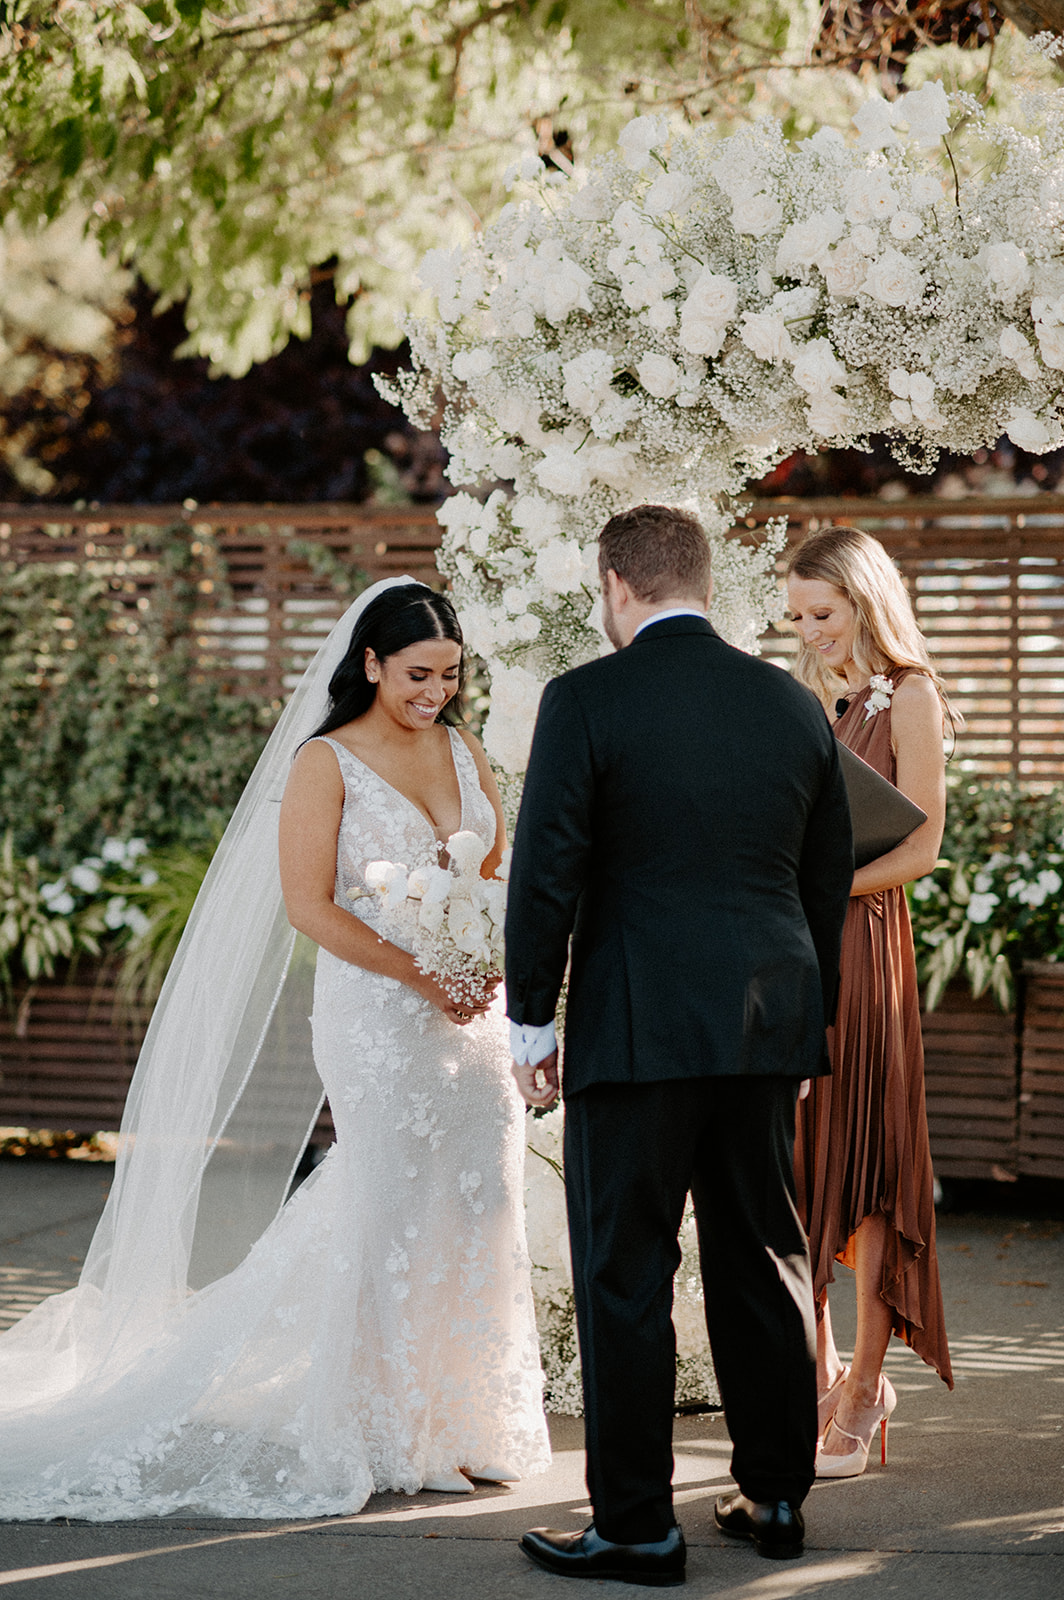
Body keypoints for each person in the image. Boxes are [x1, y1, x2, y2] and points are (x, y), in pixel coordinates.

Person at [0, 577, 549, 1519]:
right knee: (388, 1197)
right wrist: (423, 972)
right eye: (418, 673)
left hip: (472, 1015)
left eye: (452, 674)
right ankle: (390, 1426)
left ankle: (466, 1418)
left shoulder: (462, 748)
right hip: (378, 1014)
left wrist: (485, 952)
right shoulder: (325, 763)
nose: (437, 692)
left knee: (482, 1195)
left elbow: (494, 869)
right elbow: (311, 907)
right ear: (369, 664)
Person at [504, 505, 854, 1585]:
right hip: (762, 1028)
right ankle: (775, 1495)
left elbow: (546, 866)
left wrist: (529, 1018)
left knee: (625, 1270)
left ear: (617, 582)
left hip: (636, 1027)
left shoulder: (585, 698)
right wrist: (806, 1024)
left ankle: (636, 1526)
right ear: (702, 581)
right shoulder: (789, 703)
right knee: (763, 1260)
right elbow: (824, 875)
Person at [785, 526, 955, 1481]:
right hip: (803, 950)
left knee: (871, 1164)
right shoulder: (830, 701)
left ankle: (864, 1392)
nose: (809, 631)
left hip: (866, 947)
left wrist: (818, 887)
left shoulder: (913, 695)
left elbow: (921, 850)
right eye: (797, 616)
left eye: (825, 613)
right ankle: (818, 1377)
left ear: (866, 600)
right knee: (800, 1165)